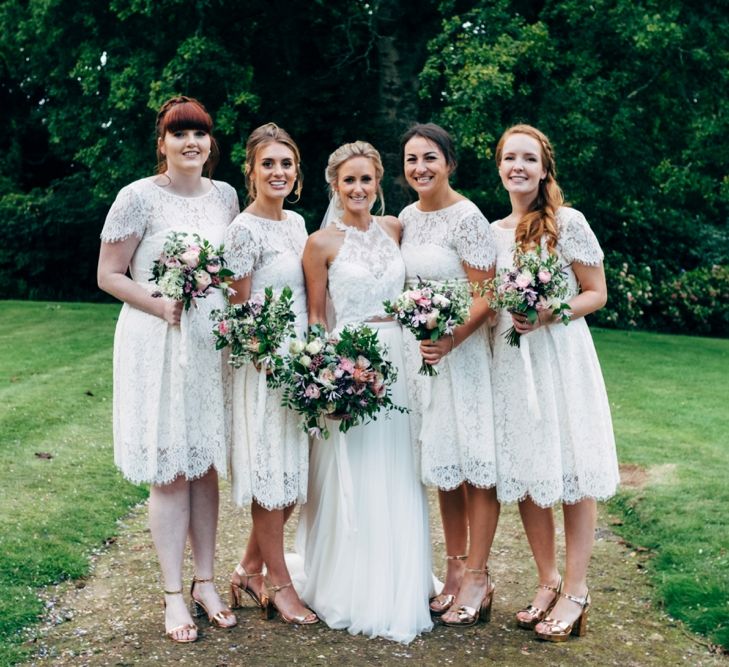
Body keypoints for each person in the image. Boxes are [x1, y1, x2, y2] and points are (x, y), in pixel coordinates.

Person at [97, 96, 239, 642]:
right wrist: (160, 303)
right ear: (162, 143)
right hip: (156, 341)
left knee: (204, 465)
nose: (190, 143)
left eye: (199, 134)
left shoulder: (225, 196)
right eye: (179, 134)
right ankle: (174, 594)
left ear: (210, 143)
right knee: (171, 468)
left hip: (208, 345)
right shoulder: (137, 197)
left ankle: (207, 581)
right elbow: (110, 274)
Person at [292, 141, 433, 643]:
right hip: (349, 361)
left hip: (398, 360)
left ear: (378, 183)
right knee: (351, 467)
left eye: (367, 180)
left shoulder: (394, 228)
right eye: (349, 180)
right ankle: (347, 582)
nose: (358, 189)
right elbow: (314, 314)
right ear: (334, 184)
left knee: (397, 469)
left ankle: (400, 578)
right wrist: (323, 372)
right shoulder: (320, 243)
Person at [490, 124, 620, 642]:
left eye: (528, 159)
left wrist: (550, 311)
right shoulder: (493, 230)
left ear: (544, 169)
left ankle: (577, 588)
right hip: (513, 360)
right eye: (509, 158)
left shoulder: (568, 222)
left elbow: (597, 293)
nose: (517, 166)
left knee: (571, 468)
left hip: (561, 355)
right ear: (499, 167)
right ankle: (546, 580)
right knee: (528, 470)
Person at [399, 123, 500, 627]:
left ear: (450, 163)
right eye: (412, 159)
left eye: (430, 158)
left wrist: (452, 338)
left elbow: (487, 292)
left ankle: (479, 576)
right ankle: (455, 570)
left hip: (462, 356)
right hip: (425, 363)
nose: (420, 168)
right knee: (443, 465)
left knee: (475, 464)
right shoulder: (404, 218)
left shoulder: (468, 218)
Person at [225, 123, 317, 625]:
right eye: (268, 164)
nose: (278, 172)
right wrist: (264, 353)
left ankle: (248, 569)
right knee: (271, 475)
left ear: (296, 172)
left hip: (302, 363)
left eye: (286, 164)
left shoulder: (298, 225)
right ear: (252, 171)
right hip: (264, 366)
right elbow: (237, 309)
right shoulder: (242, 231)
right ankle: (280, 586)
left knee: (294, 473)